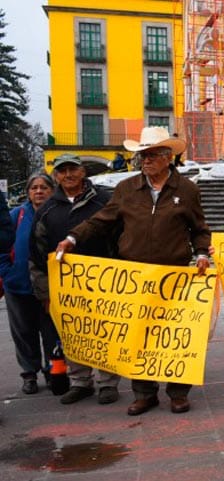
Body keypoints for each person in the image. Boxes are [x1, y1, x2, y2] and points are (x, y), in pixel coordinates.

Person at [54, 127, 211, 416]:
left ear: (167, 157)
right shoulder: (126, 189)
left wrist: (201, 253)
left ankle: (178, 393)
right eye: (142, 156)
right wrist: (73, 238)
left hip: (174, 276)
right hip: (135, 278)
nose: (144, 161)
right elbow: (101, 220)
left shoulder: (187, 190)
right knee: (139, 336)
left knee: (175, 336)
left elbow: (199, 229)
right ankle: (144, 394)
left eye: (150, 155)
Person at [29, 154, 120, 405]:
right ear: (56, 175)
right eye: (62, 171)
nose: (67, 175)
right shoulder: (47, 209)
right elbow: (36, 254)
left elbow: (122, 234)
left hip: (105, 281)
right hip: (65, 287)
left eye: (72, 169)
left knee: (105, 332)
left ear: (83, 171)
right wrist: (44, 293)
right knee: (73, 334)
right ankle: (81, 382)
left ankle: (108, 382)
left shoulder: (104, 199)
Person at [0, 173, 56, 395]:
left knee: (51, 332)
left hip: (50, 288)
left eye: (44, 187)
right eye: (34, 188)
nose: (39, 191)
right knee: (23, 333)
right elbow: (2, 245)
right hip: (18, 286)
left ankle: (53, 371)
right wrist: (7, 273)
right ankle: (29, 374)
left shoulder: (56, 214)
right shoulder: (17, 215)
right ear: (28, 192)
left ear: (52, 190)